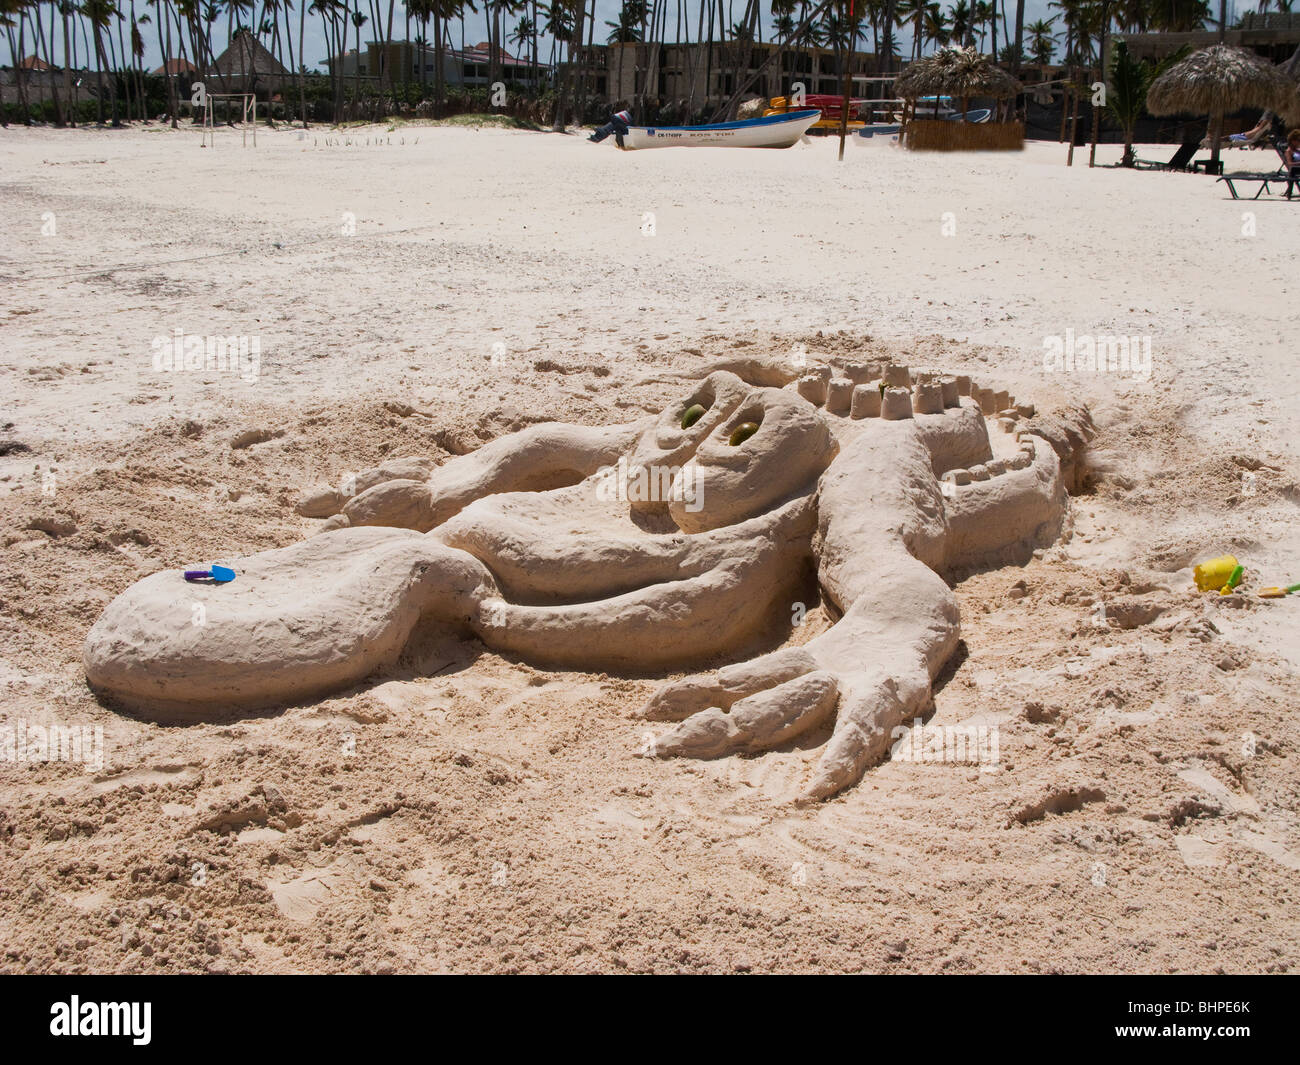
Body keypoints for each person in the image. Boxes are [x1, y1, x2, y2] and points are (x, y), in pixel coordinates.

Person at [1285, 129, 1300, 199]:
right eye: (1298, 140)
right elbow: (1289, 163)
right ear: (1292, 141)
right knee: (1293, 170)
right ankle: (1289, 193)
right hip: (1295, 170)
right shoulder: (1289, 151)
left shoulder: (1298, 150)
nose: (1299, 143)